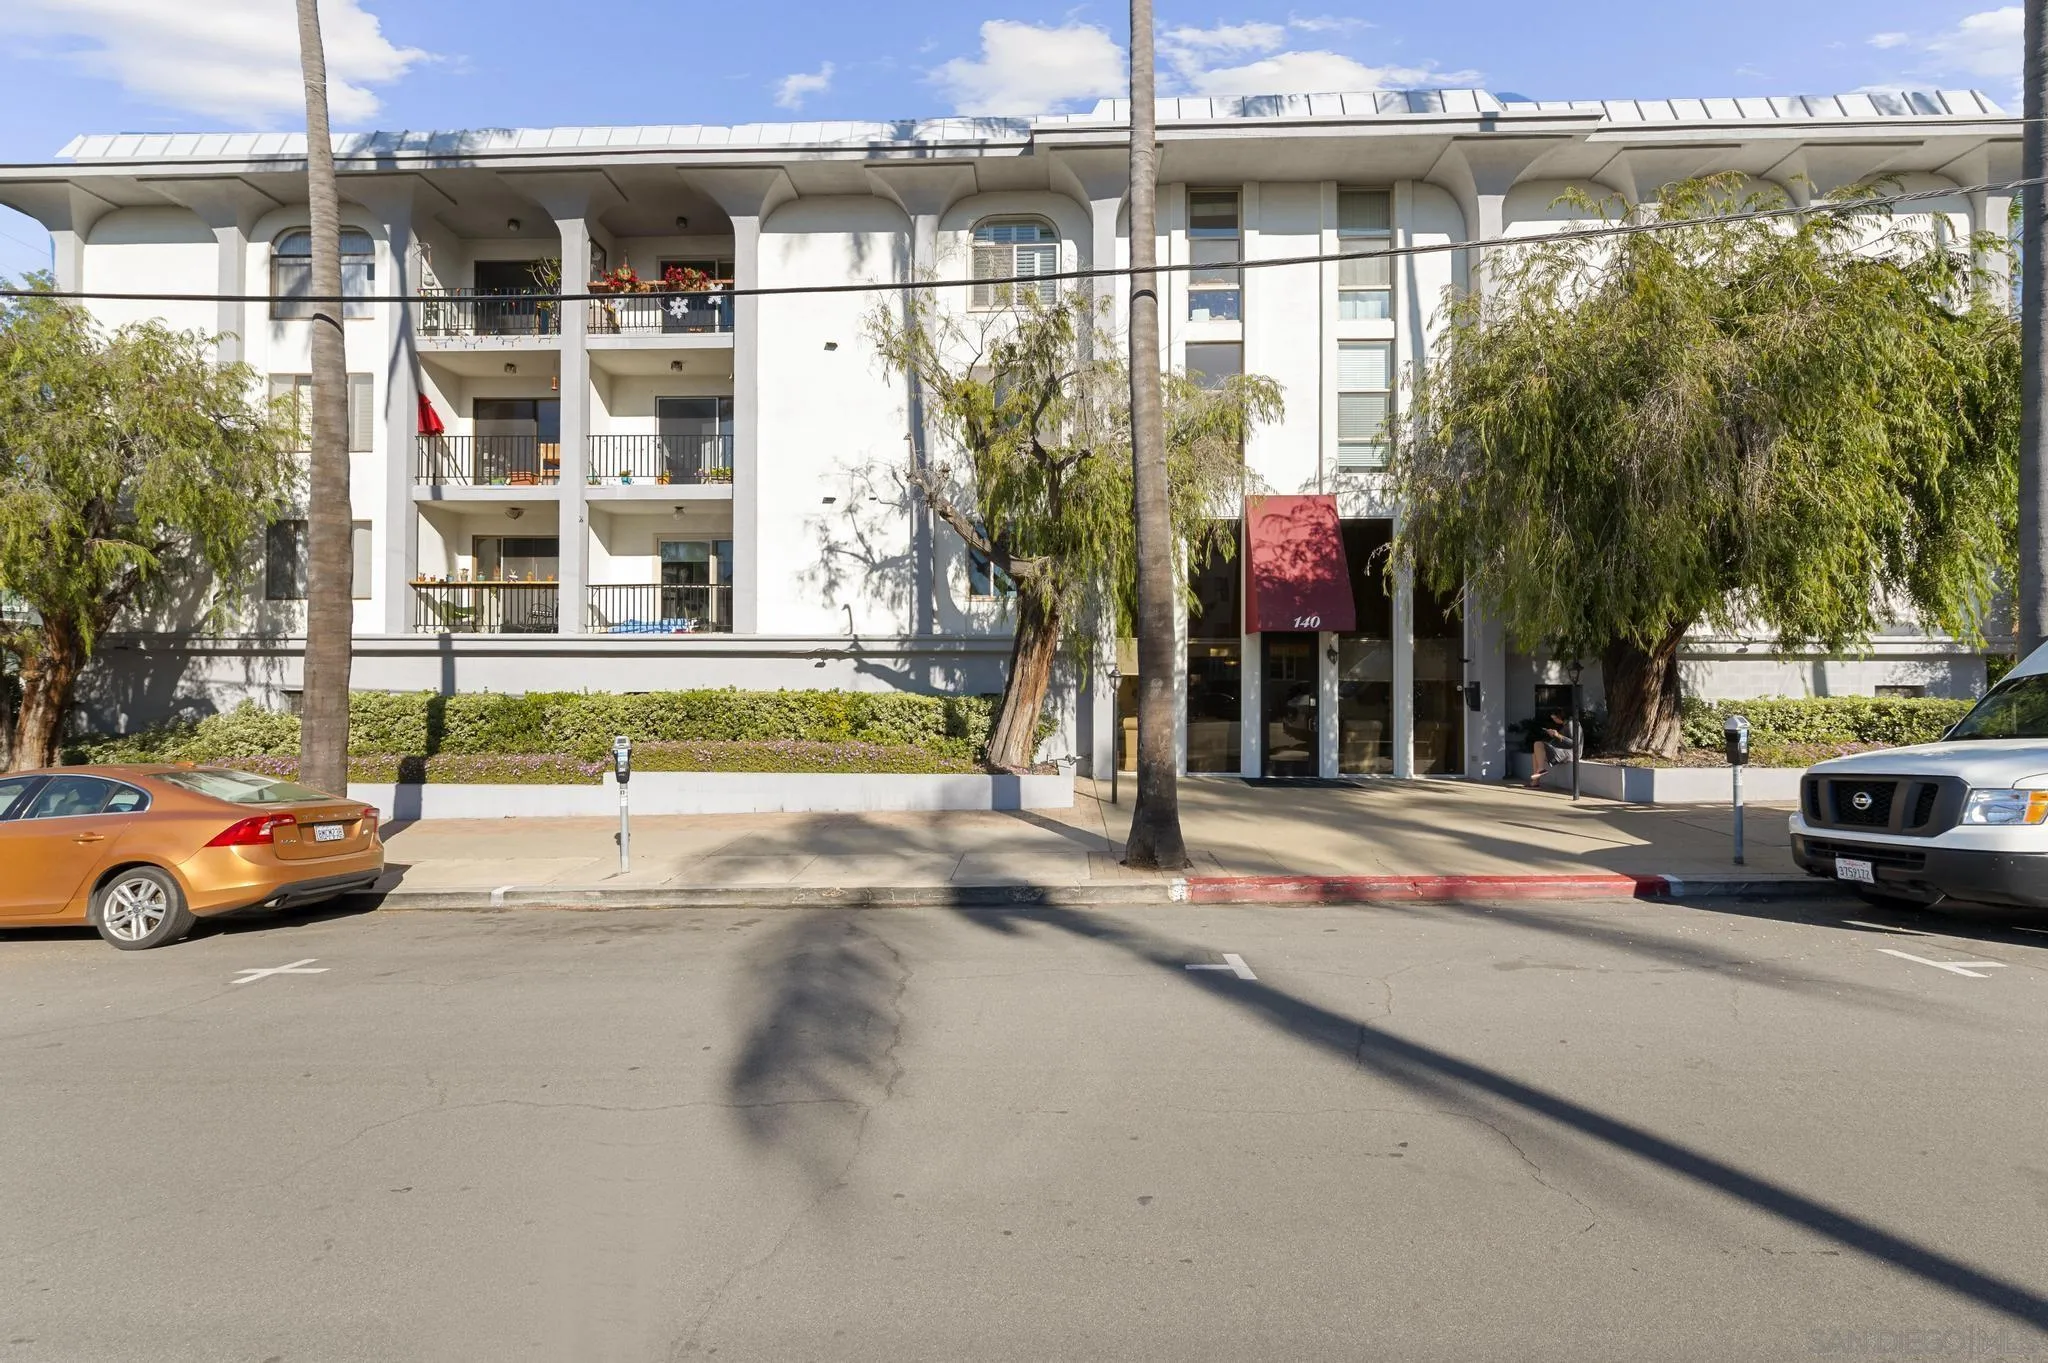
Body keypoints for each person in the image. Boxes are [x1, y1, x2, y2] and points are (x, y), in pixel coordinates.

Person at [1528, 708, 1578, 787]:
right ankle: (1535, 782)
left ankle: (1541, 769)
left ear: (1559, 716)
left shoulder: (1571, 724)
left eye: (1554, 718)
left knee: (1538, 744)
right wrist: (1554, 735)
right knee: (1535, 754)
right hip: (1563, 751)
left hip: (1570, 752)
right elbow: (1561, 741)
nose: (1554, 720)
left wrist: (1558, 735)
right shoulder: (1565, 725)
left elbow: (1573, 743)